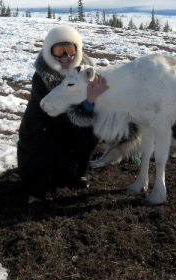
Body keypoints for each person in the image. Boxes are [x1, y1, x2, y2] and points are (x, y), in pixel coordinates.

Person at [17, 24, 108, 198]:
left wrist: (91, 105)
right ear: (49, 52)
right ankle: (44, 175)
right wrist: (88, 103)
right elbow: (59, 117)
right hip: (40, 135)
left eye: (70, 49)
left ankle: (77, 174)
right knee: (48, 178)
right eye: (59, 50)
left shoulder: (86, 73)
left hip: (66, 133)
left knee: (91, 132)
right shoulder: (41, 78)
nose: (66, 56)